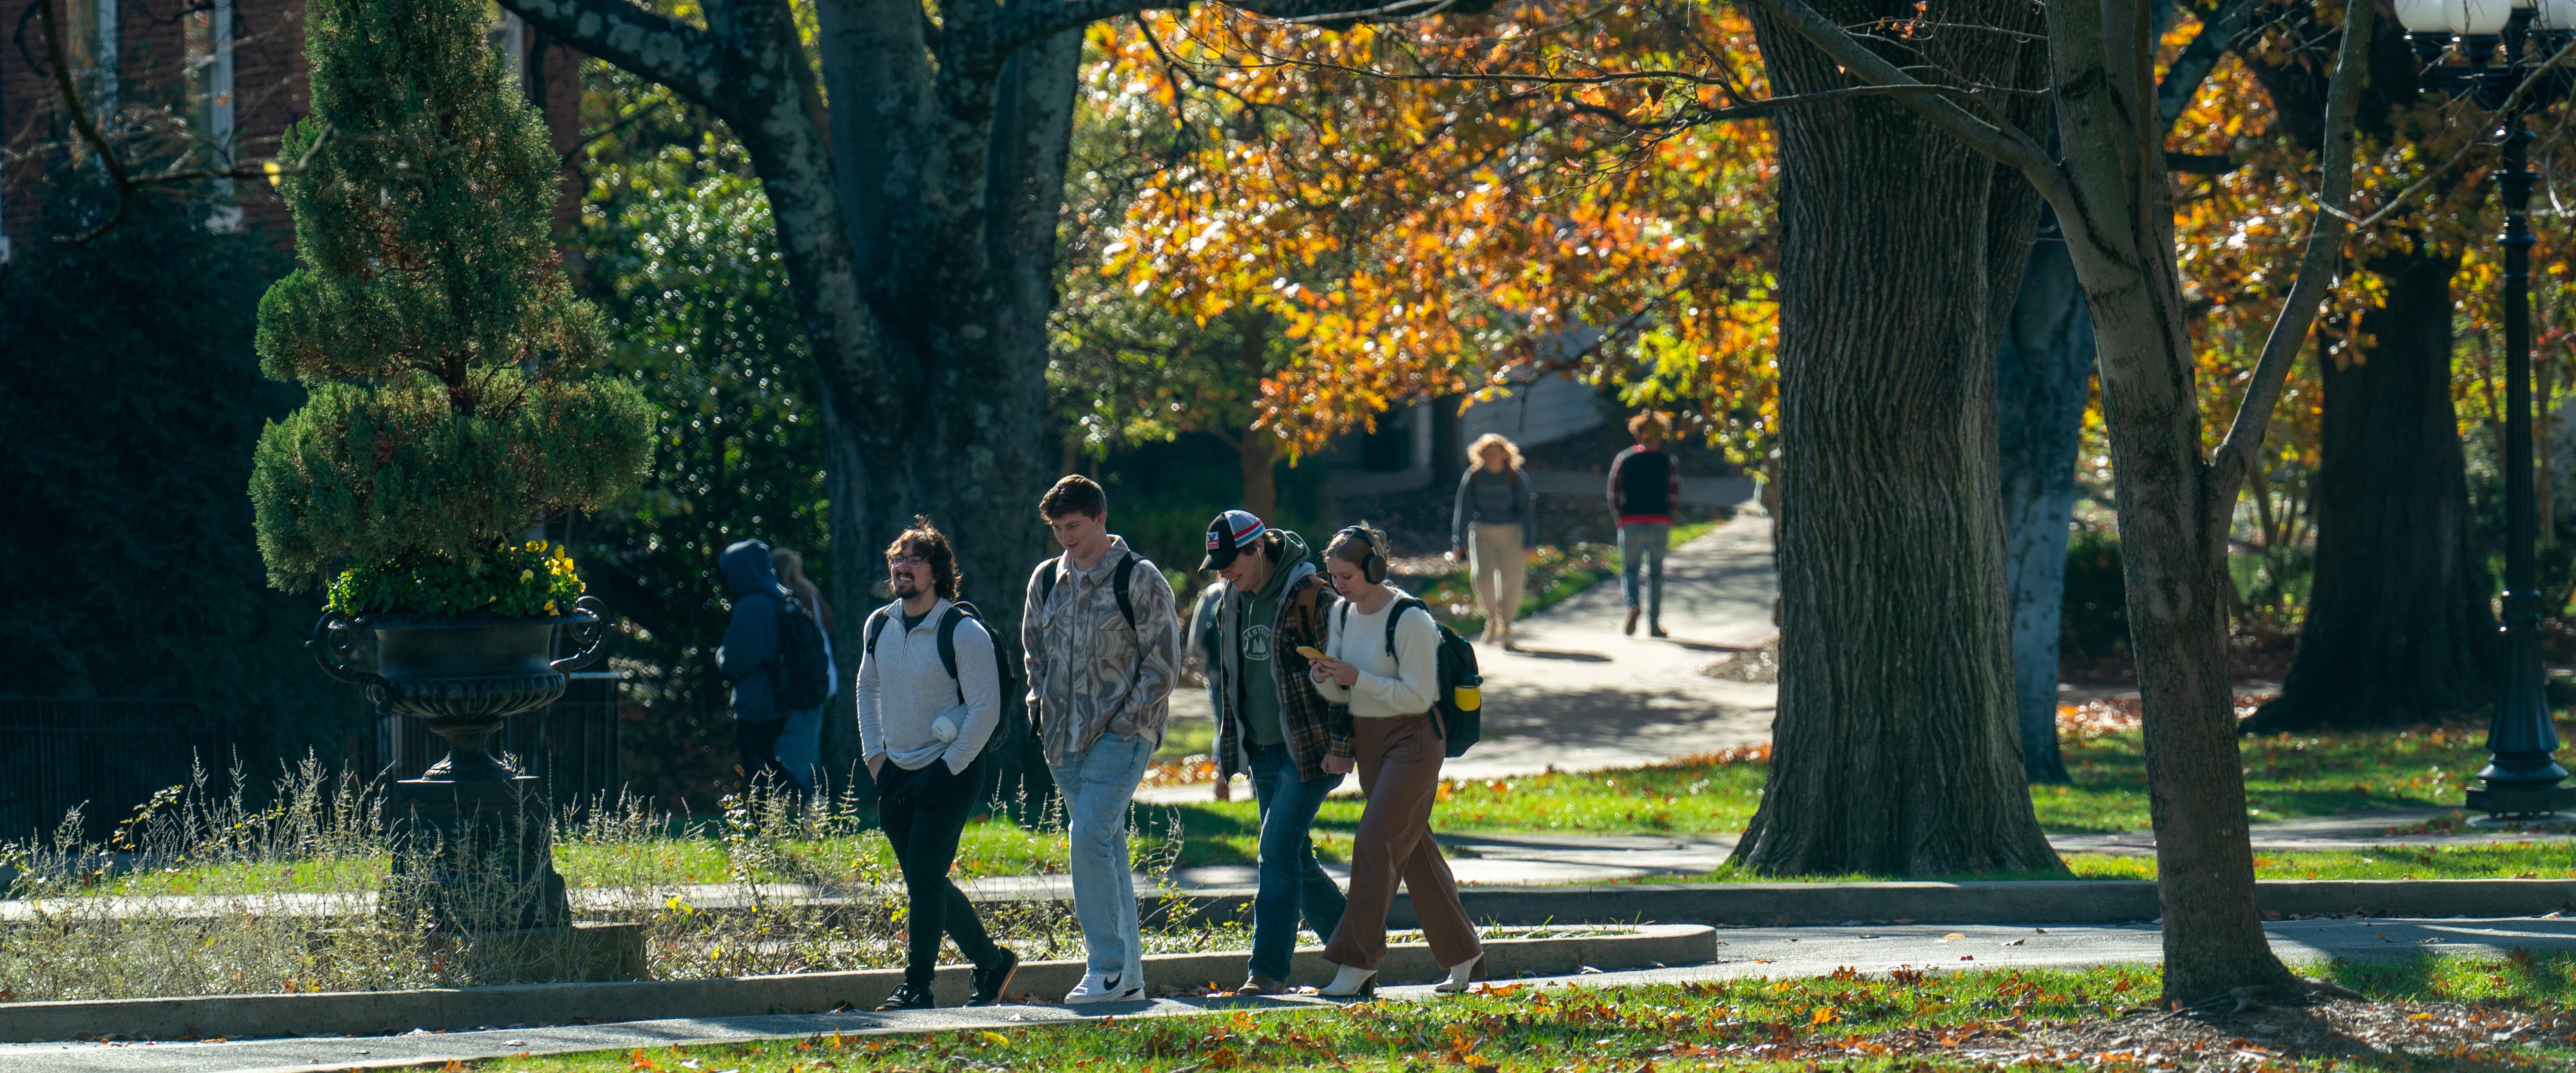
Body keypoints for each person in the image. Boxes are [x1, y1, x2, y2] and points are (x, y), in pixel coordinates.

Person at [1021, 475, 1181, 1004]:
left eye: (1074, 526)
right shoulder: (1046, 579)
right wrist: (1037, 709)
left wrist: (1127, 722)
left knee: (1087, 839)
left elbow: (1164, 662)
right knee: (1105, 847)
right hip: (1061, 740)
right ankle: (1129, 978)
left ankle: (1106, 968)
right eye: (1057, 528)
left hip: (1123, 735)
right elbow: (1034, 654)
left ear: (1099, 519)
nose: (1066, 537)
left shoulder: (1139, 577)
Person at [1307, 523, 1482, 997]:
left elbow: (1418, 694)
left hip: (1416, 739)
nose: (1338, 586)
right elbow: (1340, 691)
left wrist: (1356, 677)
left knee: (1373, 840)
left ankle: (1356, 962)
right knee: (1413, 852)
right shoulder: (1342, 614)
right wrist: (1325, 674)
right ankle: (1464, 953)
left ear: (1375, 569)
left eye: (1346, 576)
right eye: (1333, 576)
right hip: (1371, 740)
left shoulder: (1409, 619)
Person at [857, 518, 1018, 1009]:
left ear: (938, 571)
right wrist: (875, 756)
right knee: (926, 882)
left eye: (913, 559)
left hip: (951, 771)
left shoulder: (963, 632)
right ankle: (993, 964)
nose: (901, 567)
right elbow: (868, 688)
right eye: (897, 559)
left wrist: (945, 771)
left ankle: (917, 987)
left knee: (924, 879)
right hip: (894, 772)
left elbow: (985, 710)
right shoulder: (880, 623)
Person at [1203, 509, 1354, 995]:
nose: (1226, 572)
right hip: (1262, 752)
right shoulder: (1232, 600)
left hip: (1309, 751)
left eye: (1232, 562)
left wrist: (1342, 747)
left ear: (1259, 549)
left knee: (1275, 851)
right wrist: (1229, 752)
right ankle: (1359, 953)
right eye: (1220, 565)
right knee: (1295, 858)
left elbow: (1344, 674)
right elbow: (1229, 681)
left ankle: (1267, 972)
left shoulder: (1314, 596)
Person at [715, 539, 796, 791]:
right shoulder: (779, 597)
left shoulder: (752, 604)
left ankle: (801, 804)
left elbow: (738, 659)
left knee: (757, 767)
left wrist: (721, 657)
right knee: (770, 760)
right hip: (779, 695)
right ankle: (805, 805)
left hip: (757, 699)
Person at [1448, 433, 1537, 648]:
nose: (1492, 458)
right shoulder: (1474, 476)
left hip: (1512, 532)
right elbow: (1464, 510)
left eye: (1496, 454)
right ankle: (1492, 618)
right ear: (1481, 455)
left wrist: (1530, 541)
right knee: (1483, 579)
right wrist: (1458, 542)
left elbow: (1527, 510)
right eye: (1488, 454)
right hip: (1482, 532)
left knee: (1512, 581)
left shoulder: (1515, 476)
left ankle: (1507, 626)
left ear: (1505, 455)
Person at [1607, 412, 1683, 638]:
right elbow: (1674, 493)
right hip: (1659, 521)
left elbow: (1614, 492)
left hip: (1631, 520)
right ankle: (1654, 623)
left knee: (1630, 570)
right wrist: (1670, 517)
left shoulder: (1625, 458)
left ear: (1637, 434)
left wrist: (1619, 518)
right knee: (1656, 574)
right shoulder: (1668, 461)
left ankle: (1633, 605)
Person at [771, 547, 832, 793]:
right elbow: (829, 624)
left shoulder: (778, 597)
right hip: (819, 677)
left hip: (789, 684)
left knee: (786, 746)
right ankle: (812, 801)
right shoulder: (810, 592)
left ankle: (794, 798)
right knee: (810, 745)